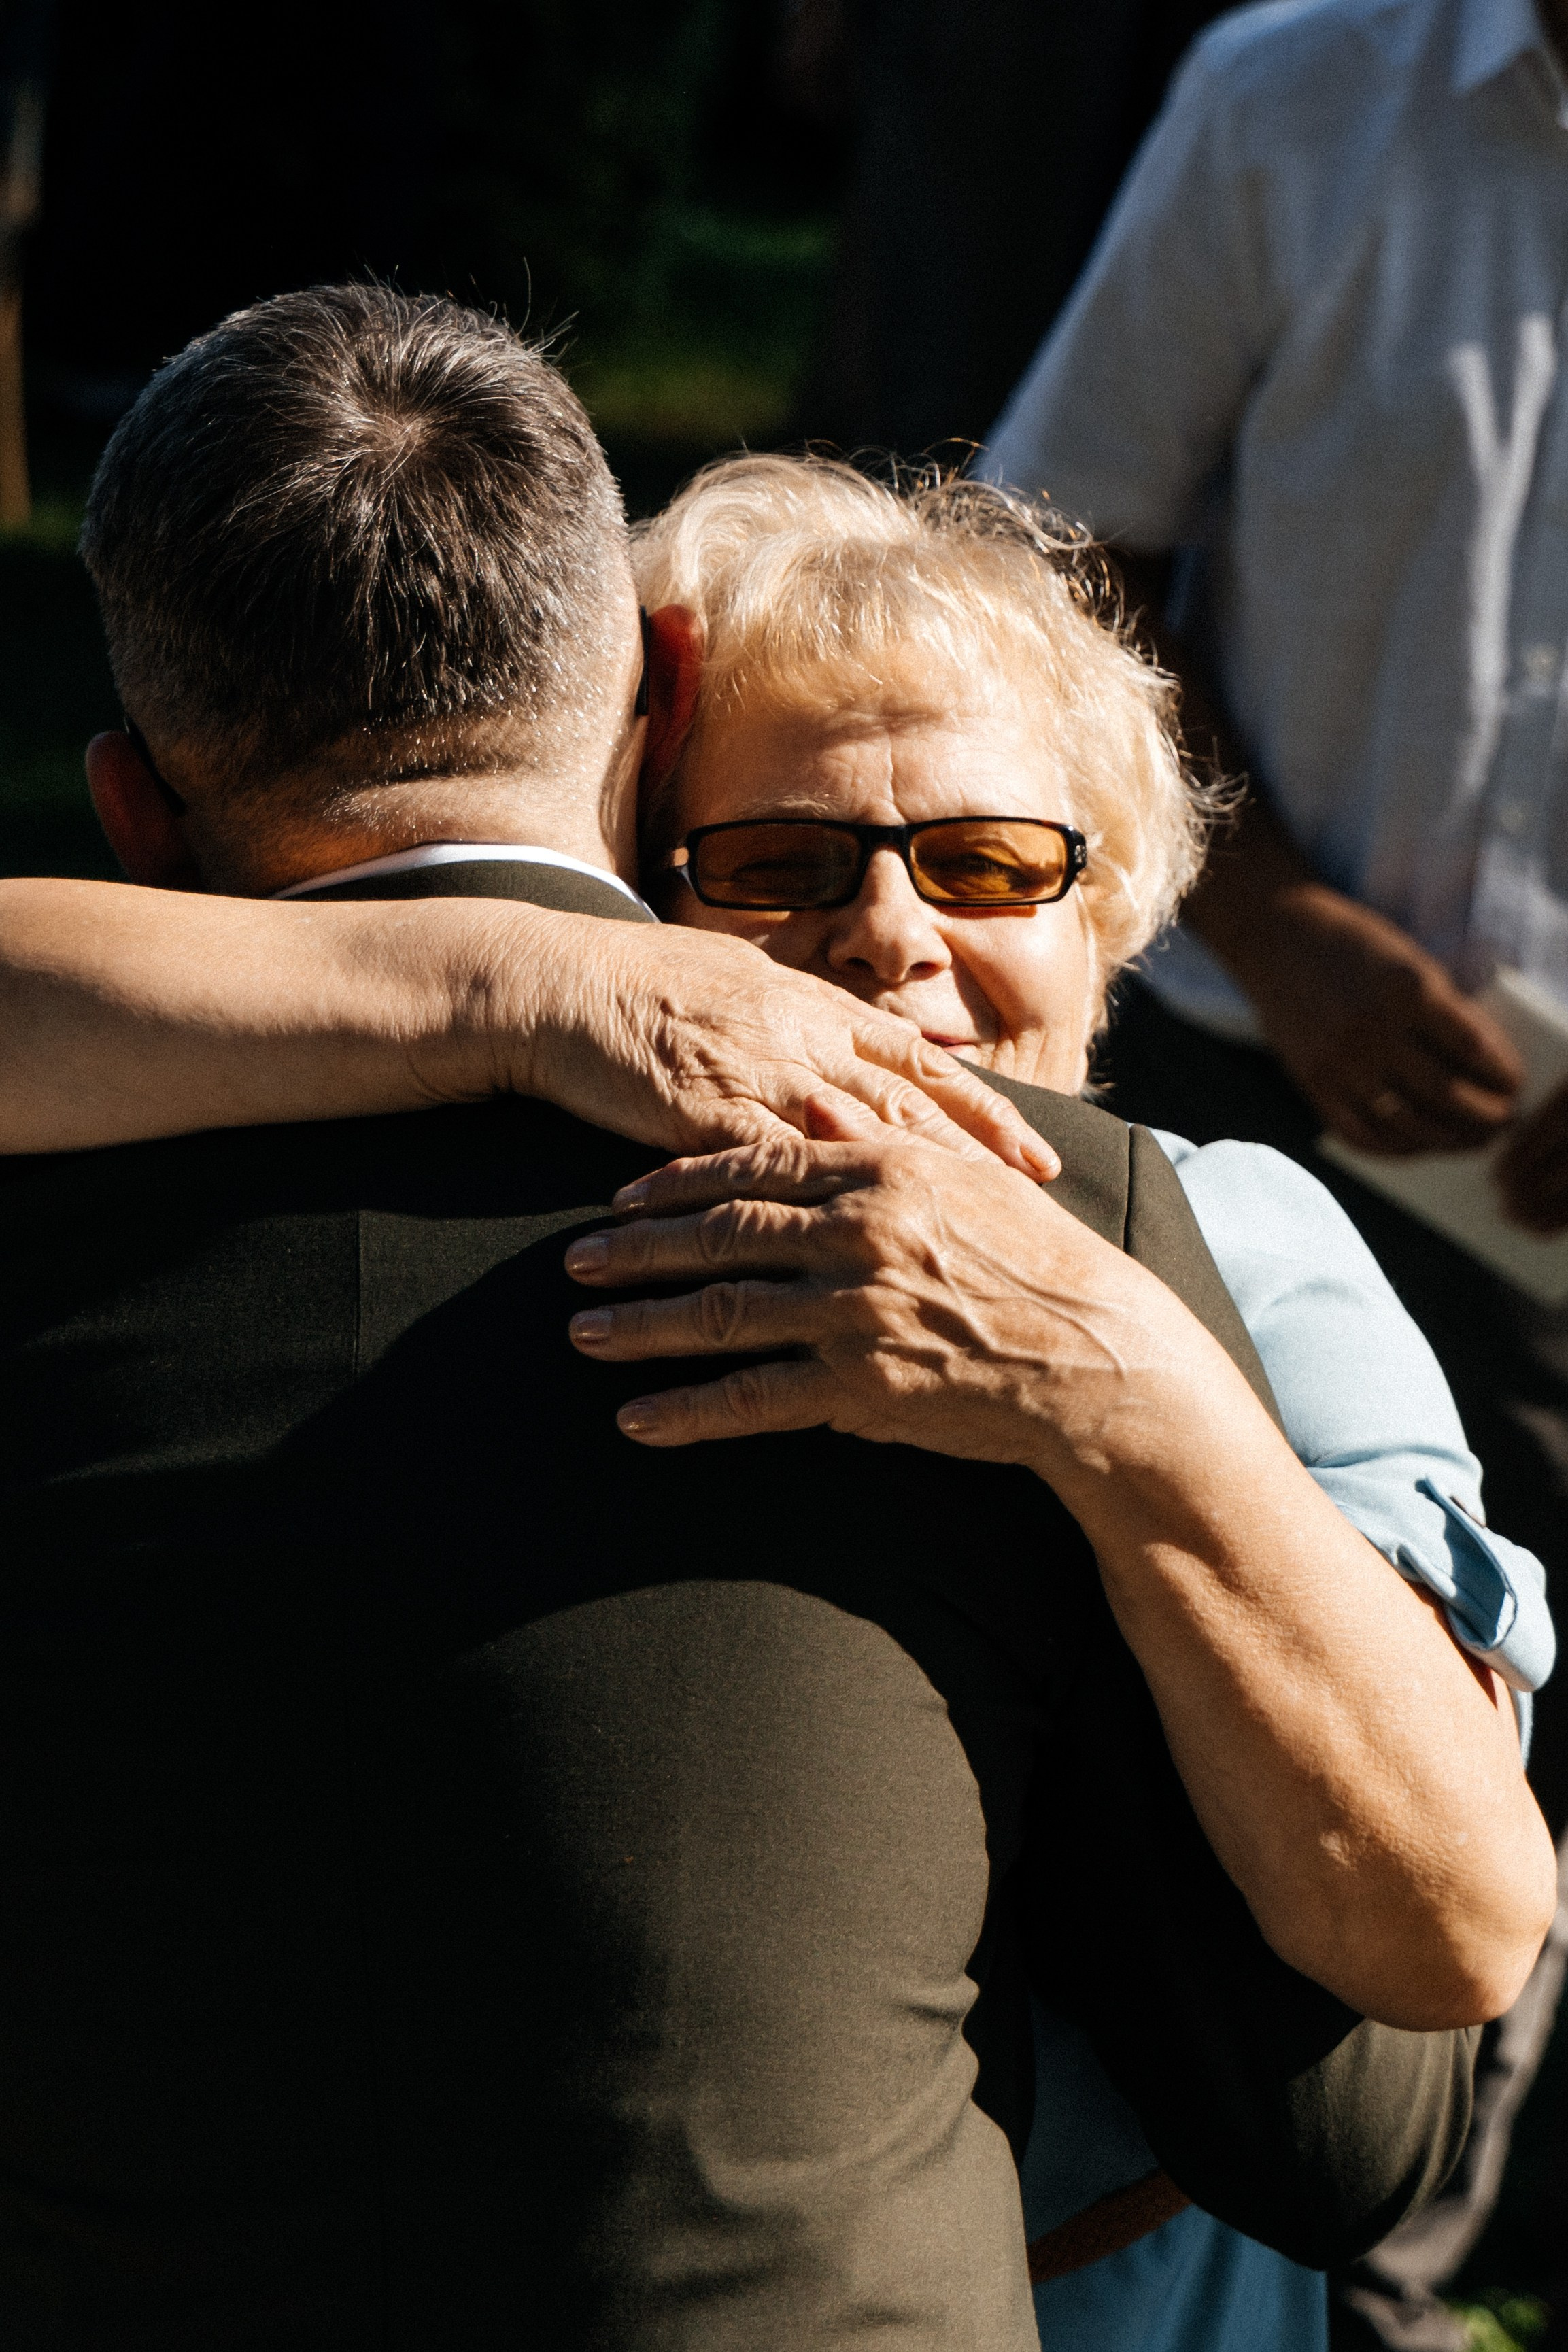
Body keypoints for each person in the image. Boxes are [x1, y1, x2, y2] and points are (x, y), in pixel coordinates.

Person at [0, 380, 1555, 2342]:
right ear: (637, 858)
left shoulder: (1230, 1242)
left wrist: (1125, 1392)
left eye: (990, 860)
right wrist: (513, 974)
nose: (891, 933)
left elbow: (1449, 1931)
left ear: (1112, 909)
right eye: (775, 864)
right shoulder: (547, 1126)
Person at [981, 0, 1568, 2336]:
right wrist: (1269, 915)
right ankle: (1368, 2281)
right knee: (1372, 1723)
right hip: (1297, 1120)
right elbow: (1065, 560)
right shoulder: (1293, 91)